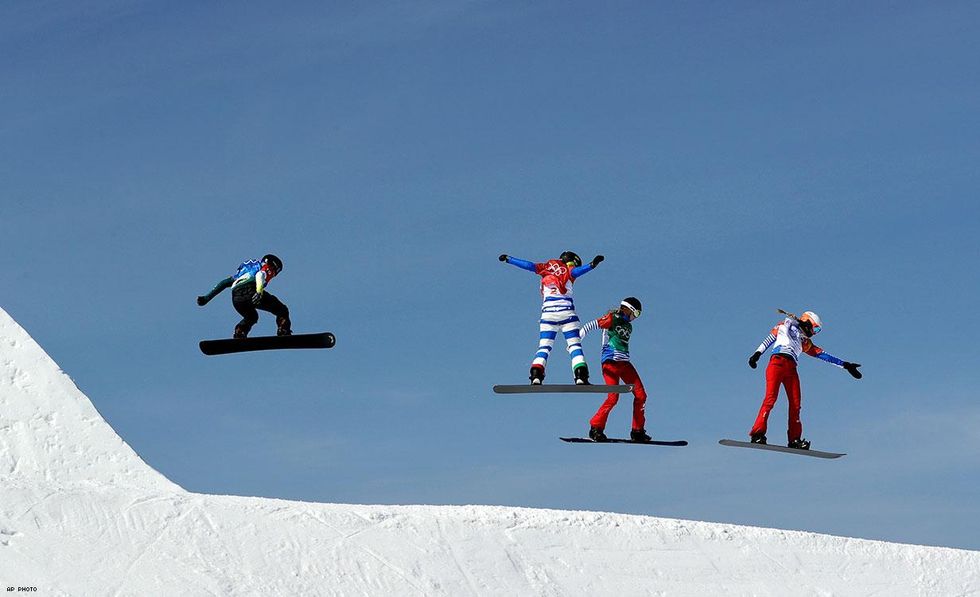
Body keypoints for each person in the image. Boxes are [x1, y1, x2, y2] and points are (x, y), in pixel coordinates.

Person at [747, 310, 862, 449]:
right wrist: (757, 354)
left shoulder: (804, 342)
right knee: (770, 399)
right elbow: (770, 339)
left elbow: (823, 355)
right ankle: (757, 434)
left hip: (791, 368)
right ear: (808, 323)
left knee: (795, 404)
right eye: (815, 328)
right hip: (777, 363)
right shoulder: (785, 325)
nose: (815, 332)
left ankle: (795, 439)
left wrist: (845, 365)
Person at [499, 251, 604, 384]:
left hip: (548, 315)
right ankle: (581, 377)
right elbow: (577, 272)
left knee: (544, 347)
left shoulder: (545, 268)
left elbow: (529, 265)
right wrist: (592, 265)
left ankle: (536, 375)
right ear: (572, 262)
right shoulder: (569, 270)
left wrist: (509, 259)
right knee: (574, 346)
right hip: (567, 314)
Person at [580, 297, 650, 442]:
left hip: (625, 364)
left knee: (641, 396)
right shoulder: (613, 318)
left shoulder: (629, 326)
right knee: (613, 397)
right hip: (610, 363)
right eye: (635, 314)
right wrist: (575, 343)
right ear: (627, 309)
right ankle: (596, 428)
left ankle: (637, 431)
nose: (635, 318)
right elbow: (591, 325)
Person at [197, 254, 291, 339]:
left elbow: (224, 283)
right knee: (282, 310)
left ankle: (240, 332)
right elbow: (260, 275)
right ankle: (283, 330)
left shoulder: (243, 273)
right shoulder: (266, 267)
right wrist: (259, 292)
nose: (275, 274)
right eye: (277, 271)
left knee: (251, 317)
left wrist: (206, 298)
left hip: (236, 298)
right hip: (251, 291)